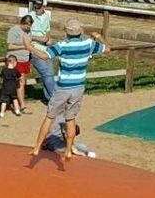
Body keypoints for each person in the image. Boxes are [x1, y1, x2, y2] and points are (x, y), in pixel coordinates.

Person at [29, 18, 108, 160]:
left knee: (50, 116)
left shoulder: (62, 45)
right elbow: (107, 50)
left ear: (66, 32)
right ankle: (69, 151)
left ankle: (37, 148)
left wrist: (28, 46)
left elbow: (43, 55)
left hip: (63, 87)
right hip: (78, 87)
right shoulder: (88, 44)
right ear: (80, 31)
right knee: (70, 119)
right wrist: (99, 37)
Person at [6, 13, 34, 112]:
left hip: (25, 59)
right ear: (22, 23)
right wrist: (24, 46)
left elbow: (29, 43)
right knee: (20, 82)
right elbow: (10, 46)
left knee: (21, 82)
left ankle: (13, 102)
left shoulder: (29, 31)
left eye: (30, 26)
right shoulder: (14, 30)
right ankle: (22, 105)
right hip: (16, 59)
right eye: (27, 25)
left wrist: (30, 59)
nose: (28, 27)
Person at [29, 0, 56, 101]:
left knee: (49, 74)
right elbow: (25, 34)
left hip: (45, 48)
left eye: (39, 7)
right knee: (47, 73)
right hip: (34, 48)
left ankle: (49, 97)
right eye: (35, 7)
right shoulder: (30, 16)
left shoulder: (46, 16)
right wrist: (39, 39)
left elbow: (47, 31)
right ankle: (55, 99)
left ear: (44, 7)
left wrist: (48, 39)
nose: (37, 9)